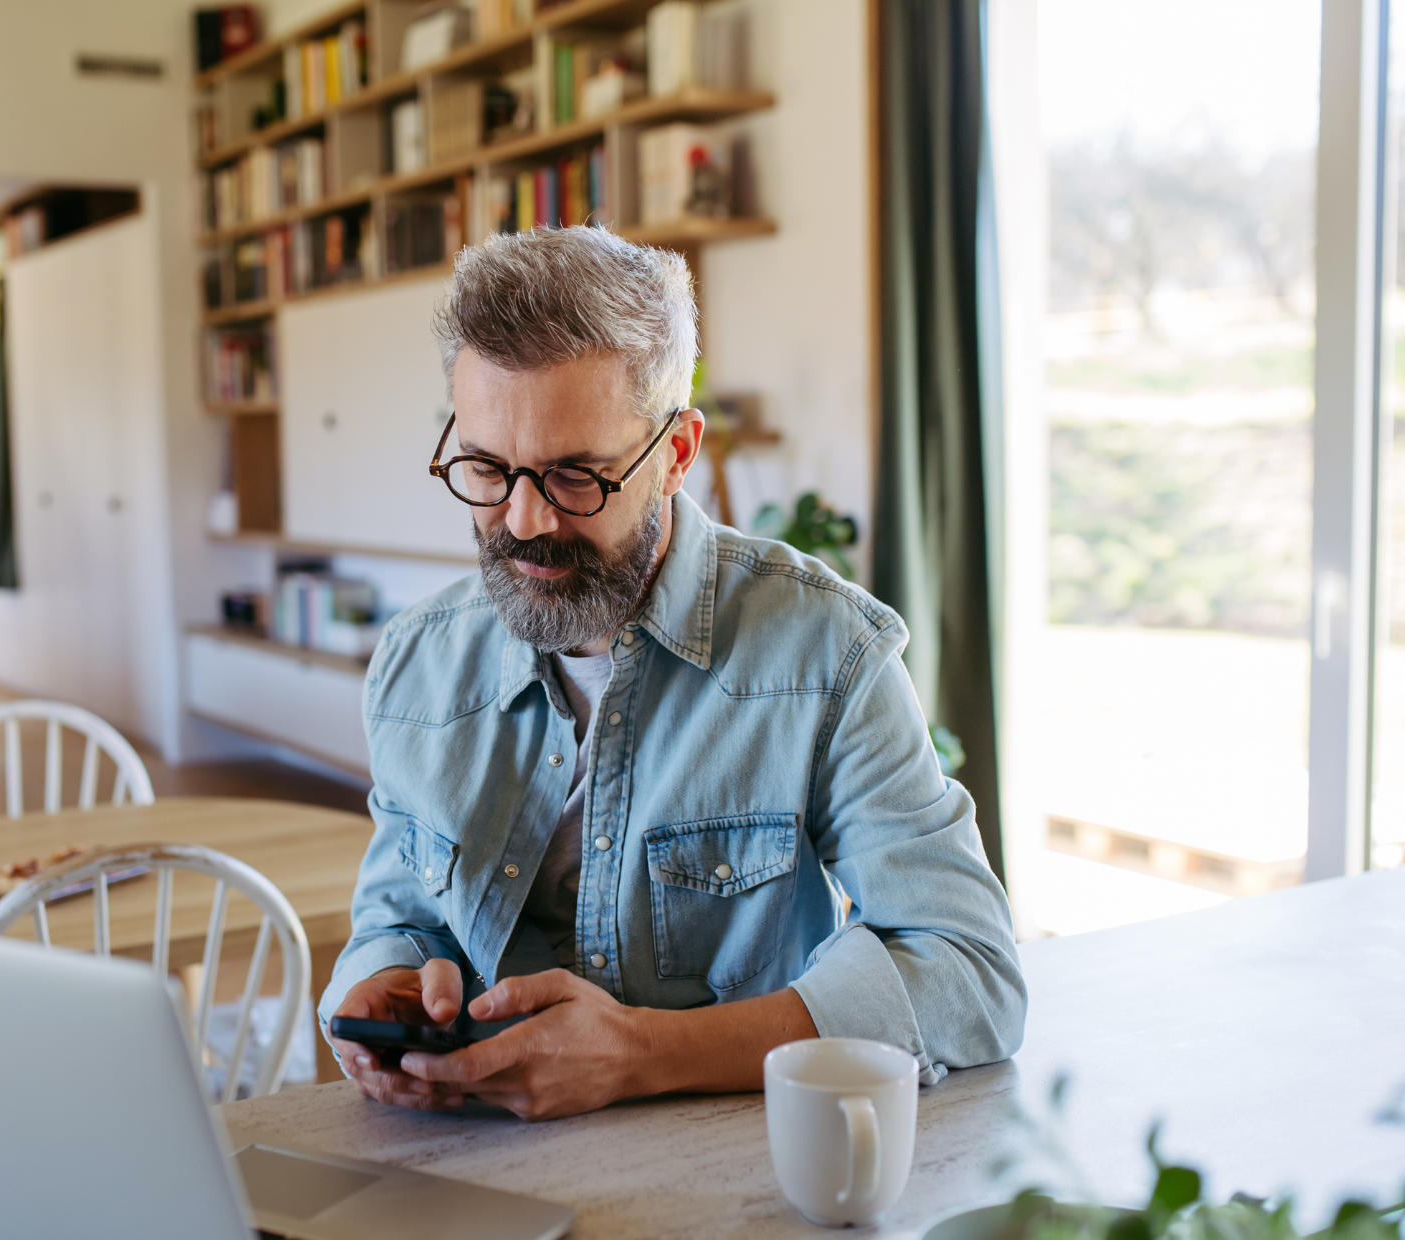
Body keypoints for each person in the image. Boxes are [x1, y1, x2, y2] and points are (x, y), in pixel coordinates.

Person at [318, 226, 1025, 1121]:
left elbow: (971, 972)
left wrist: (644, 1056)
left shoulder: (823, 652)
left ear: (678, 453)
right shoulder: (418, 663)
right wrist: (379, 981)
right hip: (468, 1164)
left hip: (735, 1173)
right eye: (489, 470)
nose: (525, 519)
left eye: (577, 475)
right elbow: (399, 916)